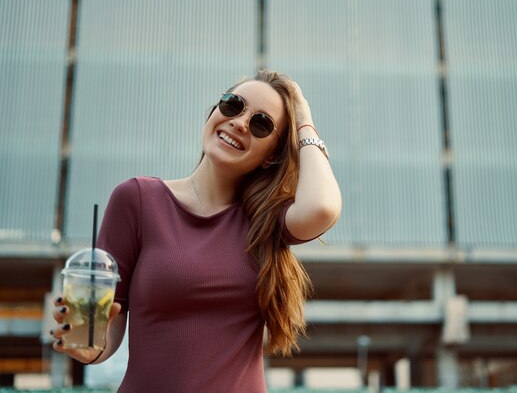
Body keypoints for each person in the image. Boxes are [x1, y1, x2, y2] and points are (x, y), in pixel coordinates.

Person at [49, 69, 342, 392]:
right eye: (233, 105)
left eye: (261, 123)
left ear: (271, 156)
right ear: (215, 112)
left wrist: (303, 116)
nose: (240, 122)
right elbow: (104, 339)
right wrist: (85, 347)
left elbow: (323, 208)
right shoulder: (137, 200)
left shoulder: (265, 221)